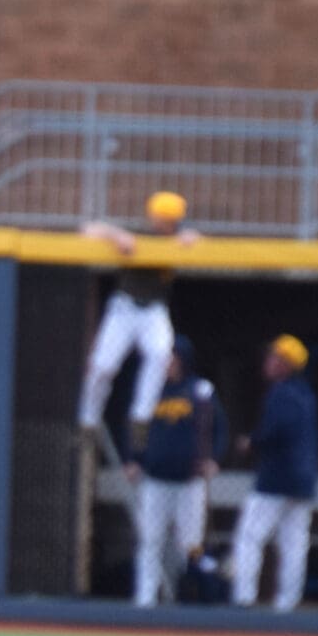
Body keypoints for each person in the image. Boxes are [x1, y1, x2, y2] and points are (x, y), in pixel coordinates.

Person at [75, 191, 202, 457]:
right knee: (103, 366)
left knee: (159, 355)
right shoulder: (139, 232)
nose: (168, 223)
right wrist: (116, 236)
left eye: (172, 219)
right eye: (165, 218)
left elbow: (197, 241)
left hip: (153, 310)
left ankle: (140, 419)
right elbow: (88, 229)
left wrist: (192, 238)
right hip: (124, 307)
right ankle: (87, 423)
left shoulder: (178, 236)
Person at [125, 335, 226, 607]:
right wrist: (134, 459)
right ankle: (145, 600)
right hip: (155, 480)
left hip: (189, 481)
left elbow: (219, 429)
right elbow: (136, 427)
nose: (166, 363)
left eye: (171, 358)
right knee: (150, 539)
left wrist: (214, 459)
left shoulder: (200, 390)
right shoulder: (150, 390)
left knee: (190, 545)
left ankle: (192, 599)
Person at [228, 334, 318, 612]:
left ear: (286, 364)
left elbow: (275, 431)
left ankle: (244, 599)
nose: (268, 362)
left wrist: (251, 442)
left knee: (249, 537)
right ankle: (287, 604)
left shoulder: (282, 393)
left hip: (276, 479)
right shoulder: (306, 394)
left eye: (275, 358)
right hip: (303, 482)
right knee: (294, 544)